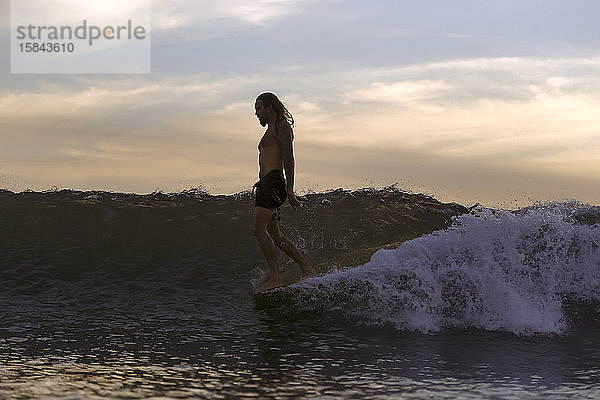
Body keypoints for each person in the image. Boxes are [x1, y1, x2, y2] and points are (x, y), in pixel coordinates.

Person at [252, 92, 316, 293]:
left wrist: (289, 189)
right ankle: (307, 268)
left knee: (258, 229)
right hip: (266, 183)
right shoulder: (271, 128)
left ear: (270, 108)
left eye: (259, 109)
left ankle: (276, 277)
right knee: (275, 236)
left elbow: (289, 158)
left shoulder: (281, 126)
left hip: (273, 182)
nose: (256, 114)